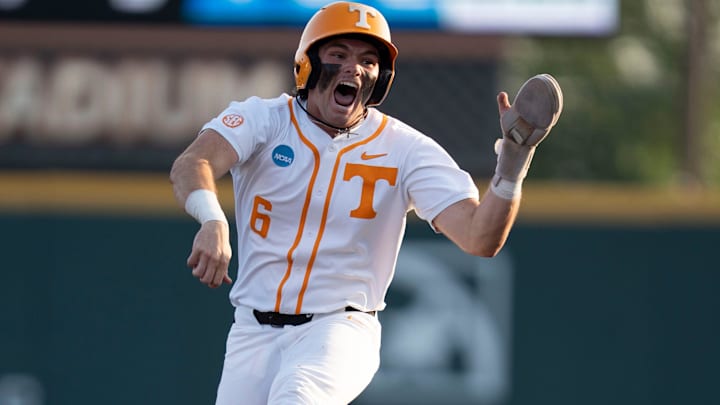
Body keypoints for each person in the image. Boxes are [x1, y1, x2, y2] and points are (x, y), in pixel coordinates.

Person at [169, 1, 562, 404]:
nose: (354, 68)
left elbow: (480, 238)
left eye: (368, 60)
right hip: (250, 332)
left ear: (382, 77)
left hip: (338, 329)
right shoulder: (264, 119)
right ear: (306, 65)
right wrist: (212, 219)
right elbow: (192, 163)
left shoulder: (406, 149)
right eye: (338, 55)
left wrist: (511, 167)